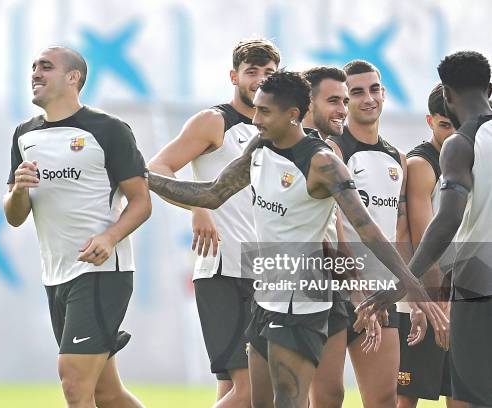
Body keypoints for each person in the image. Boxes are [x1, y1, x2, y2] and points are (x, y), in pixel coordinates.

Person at [147, 69, 445, 408]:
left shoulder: (323, 163)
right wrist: (144, 177)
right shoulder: (259, 147)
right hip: (264, 299)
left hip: (302, 307)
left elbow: (370, 232)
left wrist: (417, 293)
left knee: (294, 403)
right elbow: (213, 194)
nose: (254, 118)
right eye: (256, 108)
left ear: (292, 116)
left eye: (264, 111)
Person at [3, 46, 150, 408]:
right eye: (33, 66)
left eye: (46, 67)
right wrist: (20, 190)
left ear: (74, 78)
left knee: (73, 382)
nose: (35, 73)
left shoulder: (109, 129)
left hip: (101, 271)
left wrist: (109, 237)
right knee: (107, 393)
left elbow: (141, 202)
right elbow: (14, 215)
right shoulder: (24, 135)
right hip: (55, 276)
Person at [147, 38, 279, 408]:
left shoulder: (278, 129)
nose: (260, 80)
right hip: (224, 269)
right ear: (234, 75)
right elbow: (156, 168)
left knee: (232, 391)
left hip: (267, 270)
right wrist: (199, 207)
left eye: (269, 73)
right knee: (254, 392)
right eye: (252, 72)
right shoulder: (214, 121)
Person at [360, 50, 492, 408]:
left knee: (473, 395)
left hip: (479, 284)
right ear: (490, 88)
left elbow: (446, 220)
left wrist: (405, 282)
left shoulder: (460, 144)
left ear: (447, 95)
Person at [324, 59, 421, 408]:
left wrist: (410, 296)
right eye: (357, 92)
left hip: (380, 297)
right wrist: (355, 285)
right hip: (335, 291)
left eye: (375, 89)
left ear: (384, 92)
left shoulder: (398, 157)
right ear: (344, 101)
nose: (369, 99)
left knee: (384, 399)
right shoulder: (332, 151)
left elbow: (397, 231)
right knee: (326, 398)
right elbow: (333, 225)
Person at [398, 83, 467, 408]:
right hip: (427, 297)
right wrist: (441, 302)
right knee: (407, 396)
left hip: (465, 292)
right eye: (444, 125)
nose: (452, 132)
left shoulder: (473, 159)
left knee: (464, 394)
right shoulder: (421, 165)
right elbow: (424, 238)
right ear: (429, 121)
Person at [301, 66, 352, 408]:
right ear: (308, 101)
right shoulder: (272, 147)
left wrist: (353, 278)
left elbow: (339, 221)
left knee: (331, 394)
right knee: (286, 394)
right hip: (287, 280)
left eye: (344, 100)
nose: (343, 109)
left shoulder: (330, 150)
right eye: (333, 100)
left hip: (329, 280)